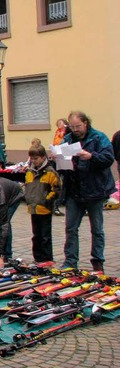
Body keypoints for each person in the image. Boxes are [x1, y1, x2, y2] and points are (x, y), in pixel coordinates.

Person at [60, 111, 115, 273]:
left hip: (95, 190)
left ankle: (97, 262)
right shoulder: (67, 139)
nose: (75, 129)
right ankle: (70, 262)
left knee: (96, 229)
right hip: (74, 190)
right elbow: (63, 167)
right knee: (70, 228)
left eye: (78, 126)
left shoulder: (99, 137)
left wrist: (91, 156)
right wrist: (58, 159)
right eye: (72, 126)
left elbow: (108, 158)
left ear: (86, 123)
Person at [24, 144, 61, 263]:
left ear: (43, 157)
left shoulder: (50, 172)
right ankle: (38, 258)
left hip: (44, 208)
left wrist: (47, 201)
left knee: (45, 236)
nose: (34, 161)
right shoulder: (29, 172)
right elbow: (27, 187)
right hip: (33, 208)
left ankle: (47, 258)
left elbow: (56, 189)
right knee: (36, 235)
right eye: (32, 159)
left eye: (36, 158)